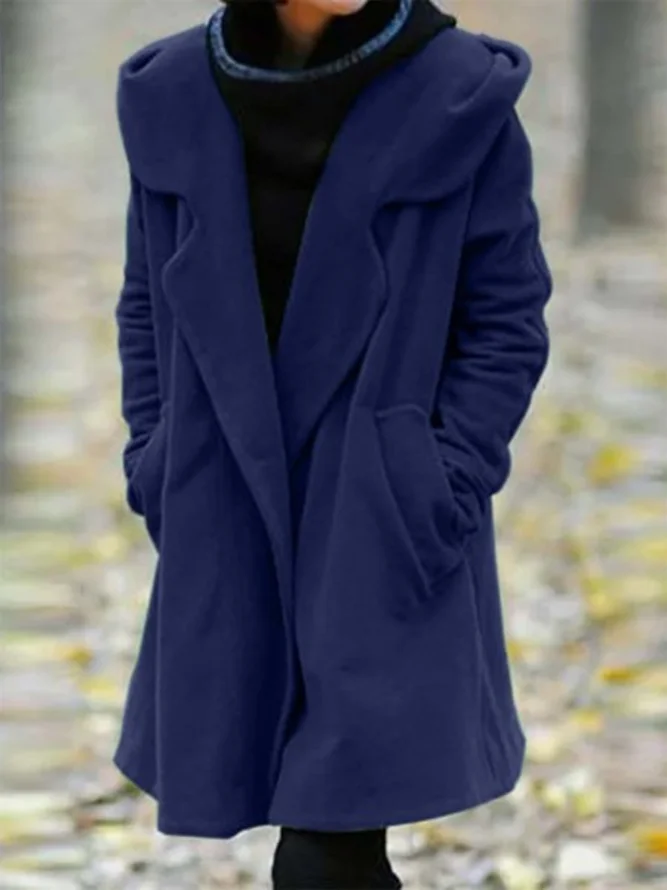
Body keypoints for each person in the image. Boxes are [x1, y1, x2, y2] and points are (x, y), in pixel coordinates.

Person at [112, 0, 553, 886]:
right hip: (225, 507)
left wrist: (442, 478)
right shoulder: (174, 94)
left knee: (325, 852)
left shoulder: (458, 96)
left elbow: (506, 318)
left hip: (378, 513)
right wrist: (155, 460)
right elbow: (143, 302)